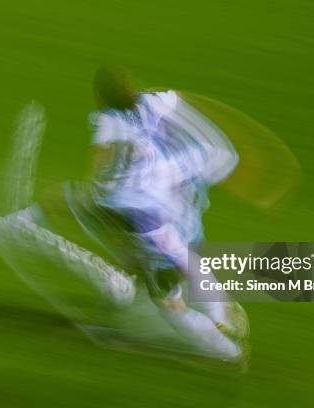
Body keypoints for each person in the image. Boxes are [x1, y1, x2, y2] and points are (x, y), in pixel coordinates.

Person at [72, 66, 248, 361]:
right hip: (179, 207)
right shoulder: (157, 100)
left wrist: (91, 189)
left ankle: (225, 351)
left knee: (167, 298)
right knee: (182, 260)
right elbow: (185, 106)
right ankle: (219, 311)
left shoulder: (110, 122)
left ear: (99, 96)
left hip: (151, 220)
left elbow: (102, 161)